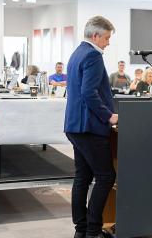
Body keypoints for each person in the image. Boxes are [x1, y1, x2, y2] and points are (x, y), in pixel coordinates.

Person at [64, 16, 118, 238]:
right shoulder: (93, 55)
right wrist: (109, 116)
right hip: (89, 127)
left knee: (83, 178)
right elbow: (89, 92)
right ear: (96, 35)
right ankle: (93, 230)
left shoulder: (77, 52)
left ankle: (82, 229)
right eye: (106, 37)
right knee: (106, 176)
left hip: (75, 126)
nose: (108, 42)